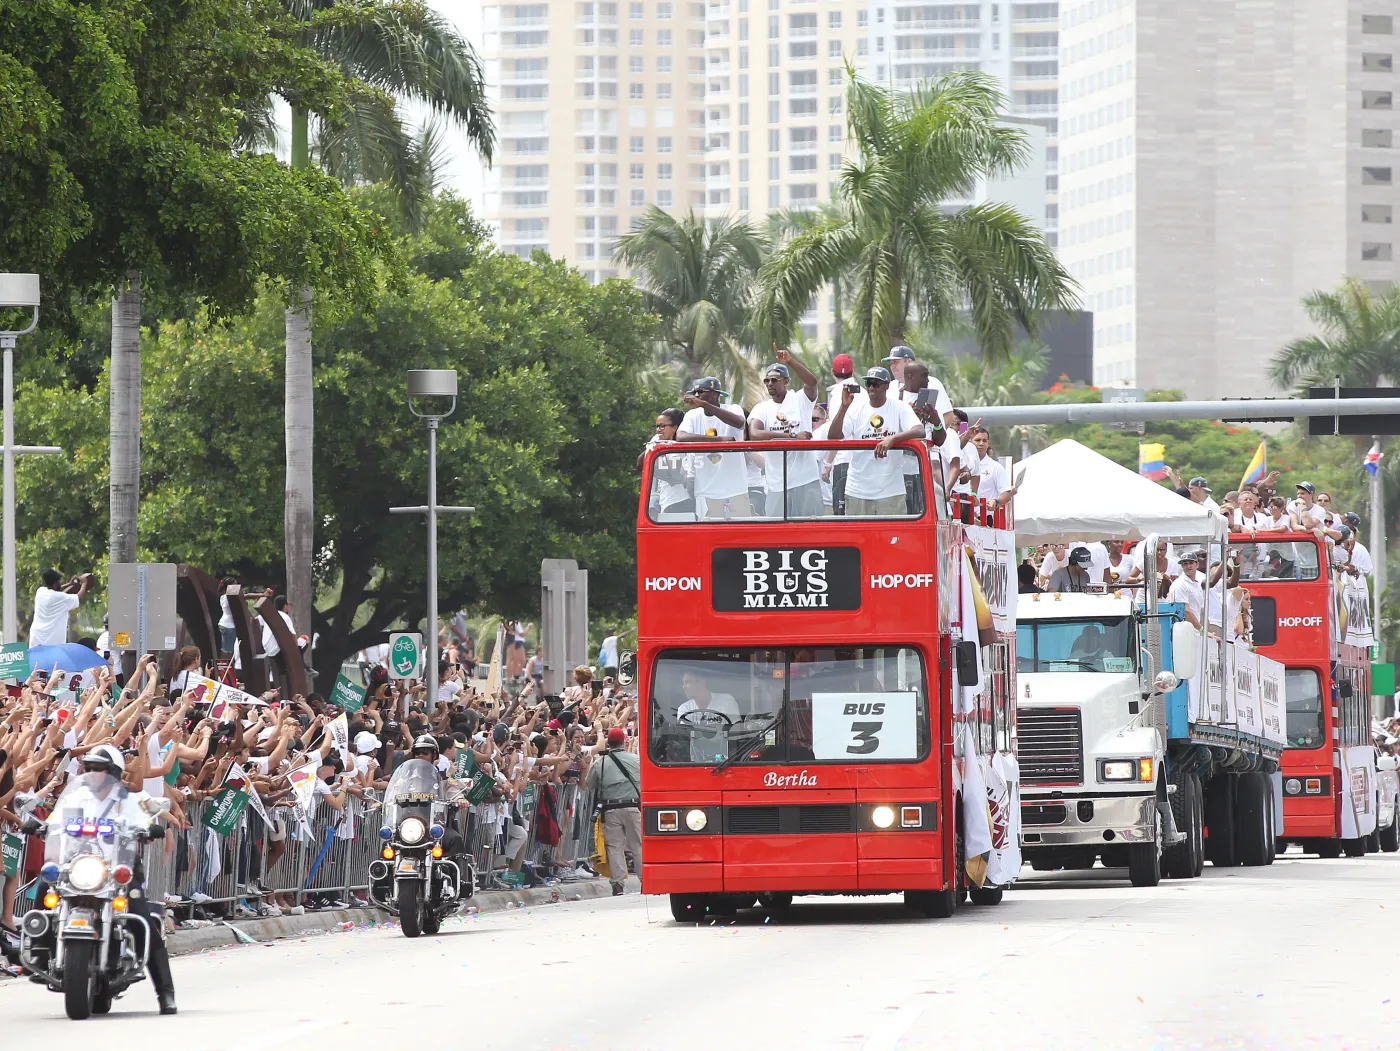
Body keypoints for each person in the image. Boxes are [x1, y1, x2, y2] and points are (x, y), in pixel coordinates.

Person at [827, 367, 925, 516]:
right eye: (868, 383)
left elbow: (920, 430)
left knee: (891, 538)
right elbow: (833, 436)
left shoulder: (899, 407)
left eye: (876, 384)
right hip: (857, 490)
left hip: (891, 491)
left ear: (886, 386)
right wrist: (844, 407)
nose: (871, 387)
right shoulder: (855, 410)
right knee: (858, 539)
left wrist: (893, 439)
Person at [748, 349, 823, 517]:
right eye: (766, 380)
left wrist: (790, 361)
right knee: (777, 537)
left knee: (811, 534)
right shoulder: (762, 408)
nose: (769, 384)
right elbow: (754, 433)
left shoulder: (800, 399)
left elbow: (812, 383)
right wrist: (792, 437)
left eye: (774, 380)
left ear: (786, 381)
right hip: (777, 484)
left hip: (806, 480)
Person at [675, 377, 751, 520]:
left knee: (741, 536)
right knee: (711, 535)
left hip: (735, 488)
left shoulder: (734, 409)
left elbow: (739, 422)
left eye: (700, 392)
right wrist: (719, 440)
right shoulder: (692, 415)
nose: (696, 396)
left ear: (715, 394)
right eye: (695, 393)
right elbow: (680, 437)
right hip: (706, 490)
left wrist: (704, 405)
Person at [584, 727, 642, 896]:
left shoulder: (600, 763)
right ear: (624, 741)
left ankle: (617, 884)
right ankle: (645, 881)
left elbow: (590, 784)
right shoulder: (636, 759)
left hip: (610, 809)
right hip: (632, 807)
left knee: (614, 847)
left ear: (608, 742)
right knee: (637, 846)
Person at [823, 353, 863, 515]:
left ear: (833, 372)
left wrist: (827, 464)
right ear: (852, 372)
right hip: (861, 460)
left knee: (841, 514)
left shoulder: (837, 395)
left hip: (843, 460)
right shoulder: (866, 393)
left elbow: (837, 434)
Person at [641, 409, 694, 519]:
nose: (659, 430)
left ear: (675, 428)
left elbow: (674, 477)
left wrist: (654, 469)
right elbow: (639, 464)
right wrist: (649, 448)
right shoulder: (659, 440)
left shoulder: (676, 448)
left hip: (677, 502)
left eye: (663, 426)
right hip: (668, 501)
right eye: (657, 426)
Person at [29, 568, 89, 646]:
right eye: (59, 581)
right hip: (51, 641)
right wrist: (84, 584)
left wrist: (69, 584)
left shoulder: (40, 591)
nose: (60, 583)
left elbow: (56, 590)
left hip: (36, 638)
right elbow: (79, 597)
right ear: (54, 584)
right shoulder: (59, 597)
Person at [1165, 551, 1205, 628]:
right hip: (1183, 632)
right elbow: (1186, 612)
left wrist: (1205, 631)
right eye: (1185, 564)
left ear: (1197, 565)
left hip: (1195, 632)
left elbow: (1201, 611)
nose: (1188, 566)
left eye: (1191, 563)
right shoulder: (1179, 584)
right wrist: (1201, 629)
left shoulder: (1197, 584)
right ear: (1182, 566)